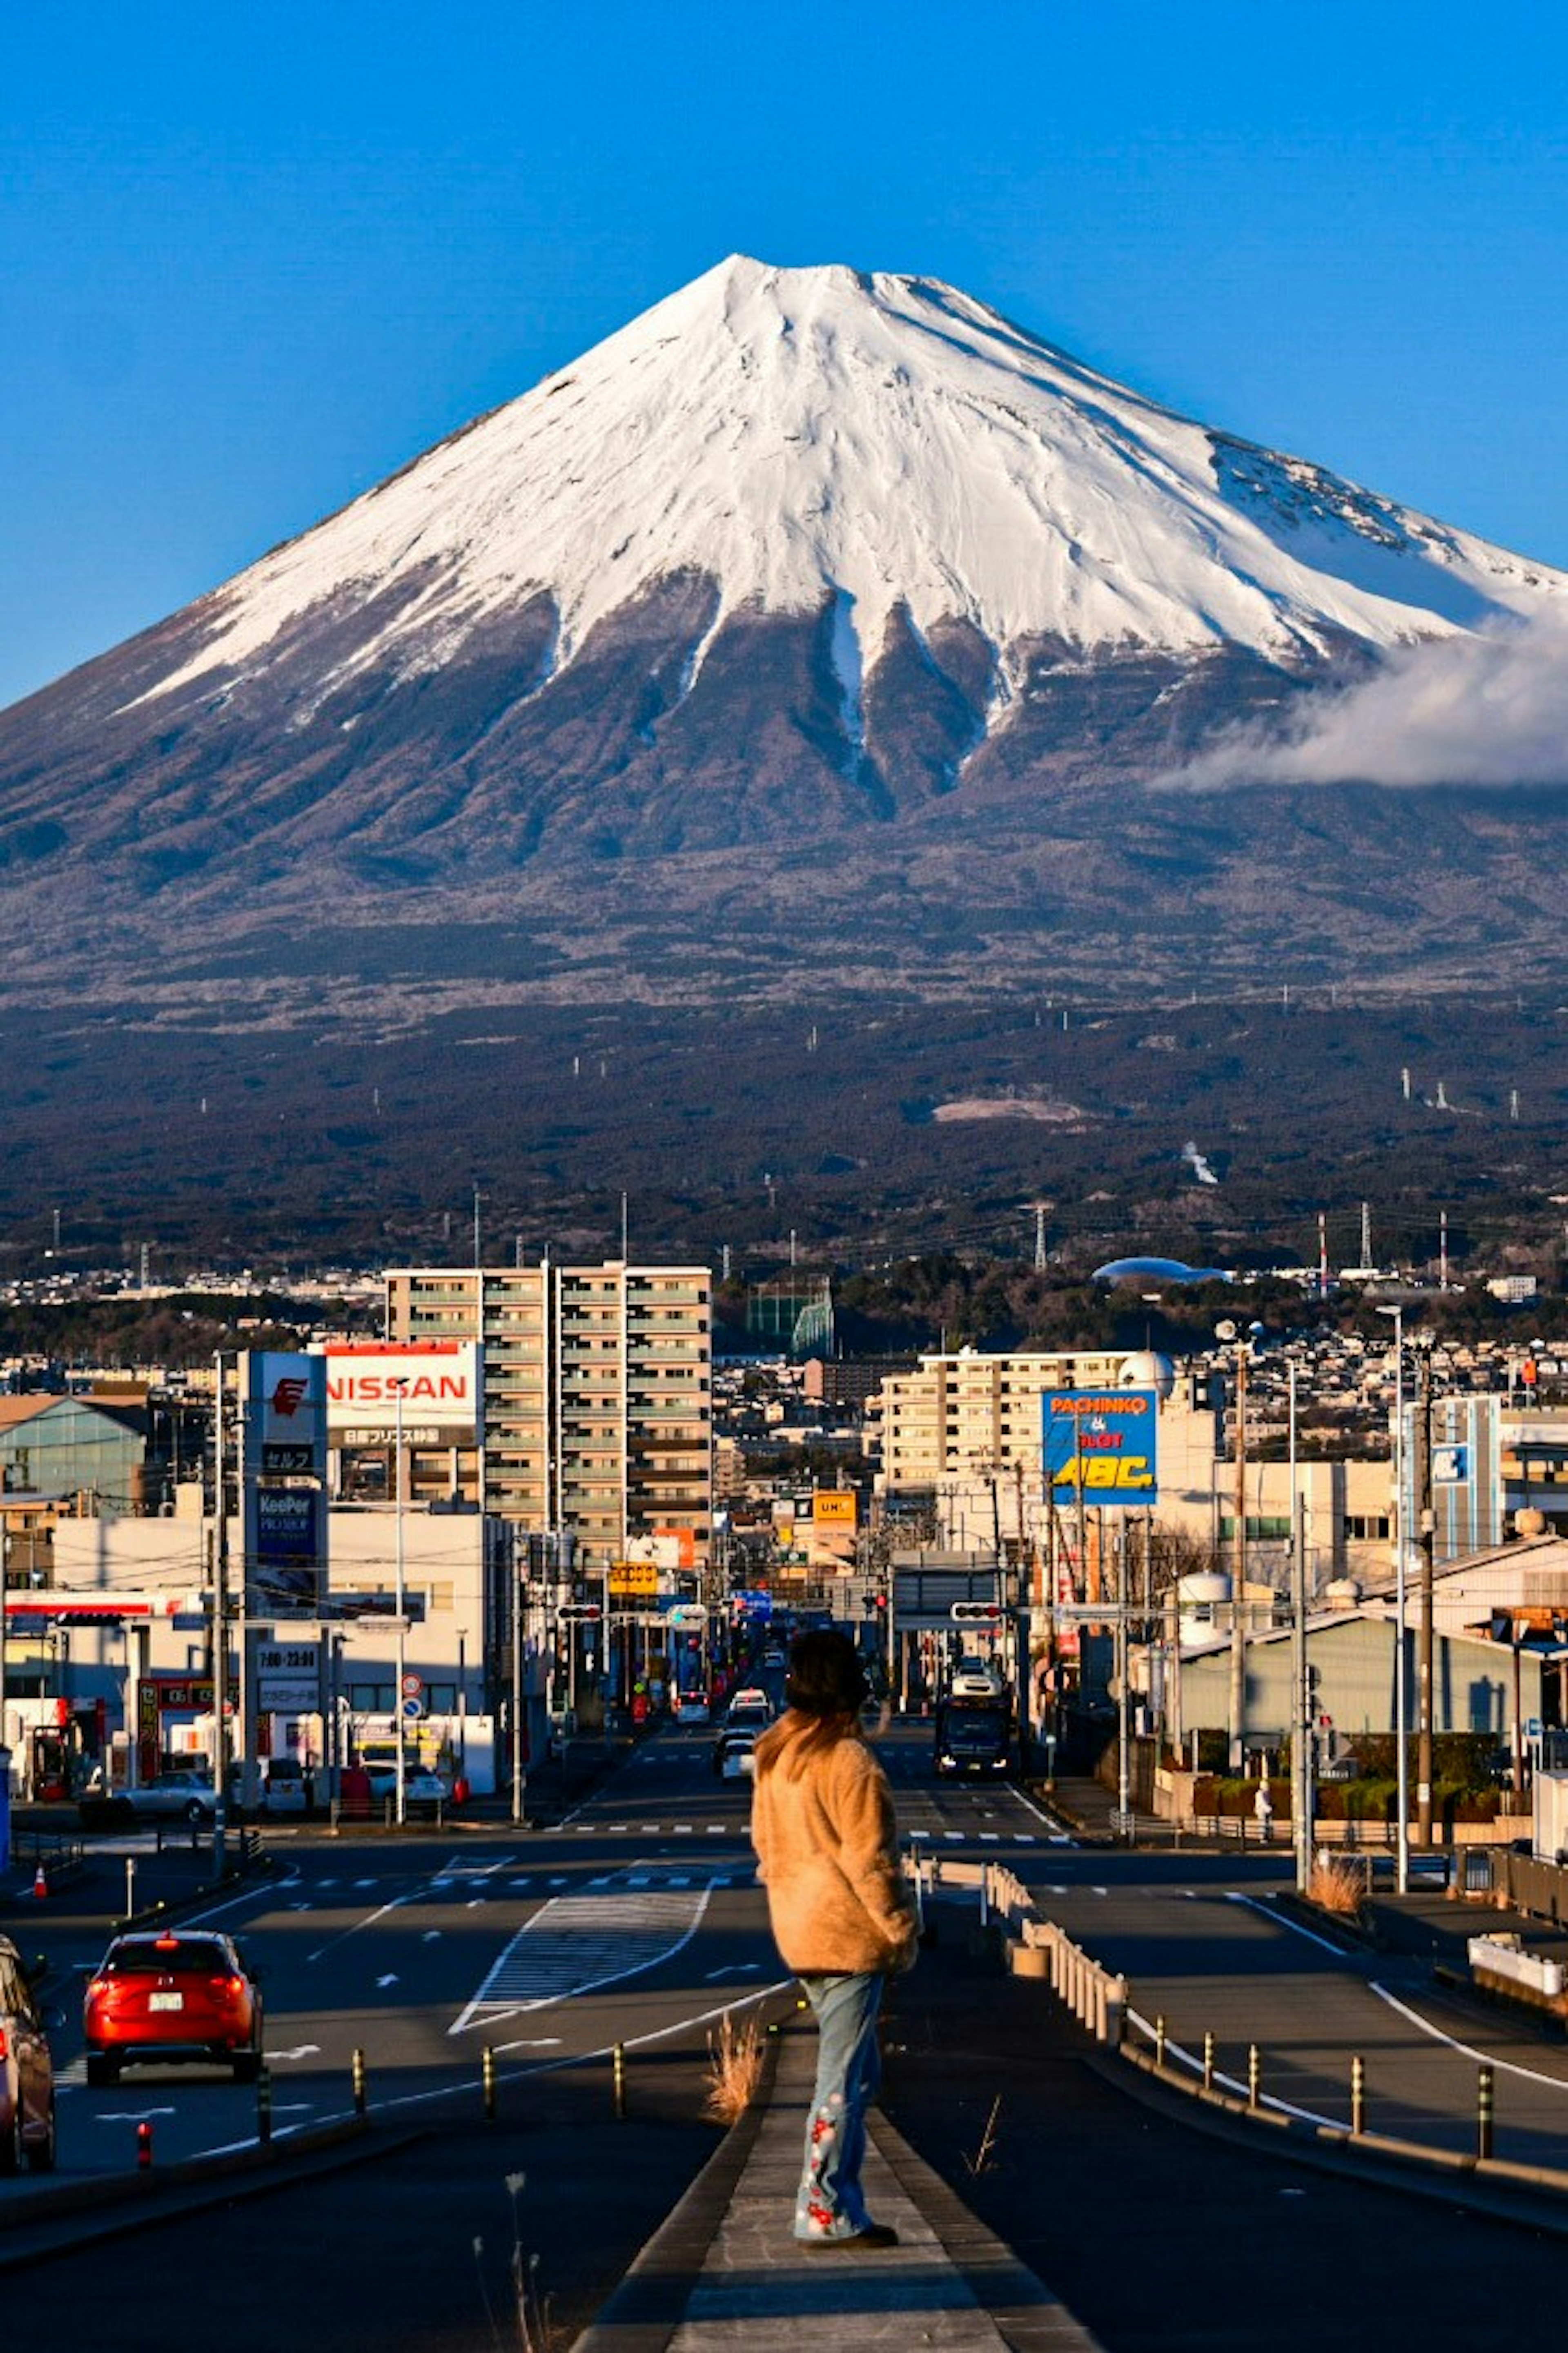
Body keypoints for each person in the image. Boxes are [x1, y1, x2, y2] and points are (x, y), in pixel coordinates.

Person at [750, 1627, 918, 2250]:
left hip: (798, 1929)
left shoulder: (775, 1756)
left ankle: (837, 2198)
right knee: (842, 2081)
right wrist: (901, 1931)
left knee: (861, 2072)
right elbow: (871, 1865)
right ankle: (824, 2210)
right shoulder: (851, 1763)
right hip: (848, 1937)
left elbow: (764, 1848)